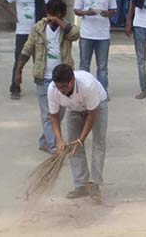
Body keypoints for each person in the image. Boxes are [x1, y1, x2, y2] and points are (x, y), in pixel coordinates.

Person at [14, 0, 79, 154]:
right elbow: (27, 49)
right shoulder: (38, 28)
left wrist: (59, 21)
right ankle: (53, 145)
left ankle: (44, 140)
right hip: (43, 78)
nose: (52, 19)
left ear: (62, 14)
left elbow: (75, 35)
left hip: (63, 78)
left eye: (57, 15)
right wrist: (18, 70)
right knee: (49, 114)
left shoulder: (67, 28)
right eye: (51, 14)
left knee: (60, 113)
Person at [47, 64, 107, 203]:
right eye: (58, 86)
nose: (61, 90)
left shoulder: (87, 85)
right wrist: (59, 140)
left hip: (97, 105)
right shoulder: (52, 89)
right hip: (74, 109)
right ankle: (81, 185)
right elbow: (53, 116)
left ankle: (95, 185)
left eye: (64, 87)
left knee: (99, 143)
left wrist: (81, 139)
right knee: (73, 147)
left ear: (72, 80)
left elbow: (92, 114)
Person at [2, 0, 50, 100]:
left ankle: (42, 88)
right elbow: (4, 3)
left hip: (39, 31)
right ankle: (15, 88)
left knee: (40, 60)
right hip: (22, 32)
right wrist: (14, 16)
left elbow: (48, 8)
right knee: (19, 60)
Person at [74, 0, 117, 92]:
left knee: (102, 66)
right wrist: (87, 13)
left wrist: (107, 13)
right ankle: (83, 91)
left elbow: (114, 10)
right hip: (86, 35)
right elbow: (76, 10)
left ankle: (102, 91)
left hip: (103, 35)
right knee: (84, 65)